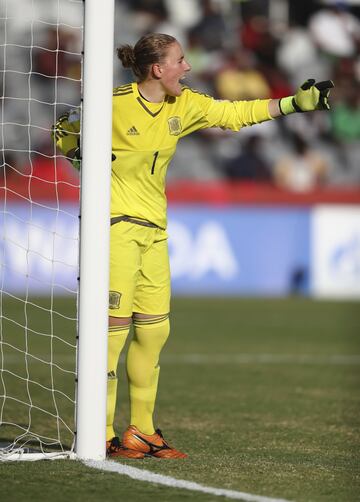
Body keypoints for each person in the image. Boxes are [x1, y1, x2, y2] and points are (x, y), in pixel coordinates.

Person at [51, 33, 334, 459]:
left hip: (155, 231)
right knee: (109, 337)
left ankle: (141, 432)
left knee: (154, 331)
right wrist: (86, 162)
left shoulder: (184, 104)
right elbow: (62, 129)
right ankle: (100, 432)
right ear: (157, 68)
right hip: (114, 229)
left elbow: (235, 113)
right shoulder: (111, 103)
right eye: (179, 61)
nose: (187, 67)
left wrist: (295, 103)